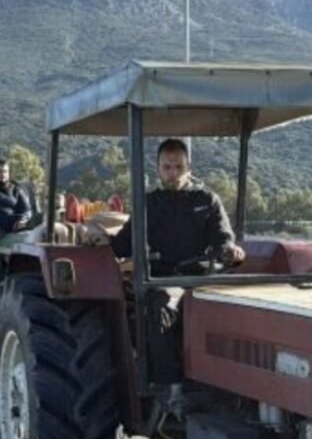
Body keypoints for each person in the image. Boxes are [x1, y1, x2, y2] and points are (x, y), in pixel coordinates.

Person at [104, 138, 245, 385]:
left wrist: (229, 251)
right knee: (161, 304)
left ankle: (233, 383)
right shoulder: (148, 203)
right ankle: (168, 387)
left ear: (189, 168)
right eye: (167, 167)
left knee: (239, 307)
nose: (173, 173)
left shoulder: (206, 200)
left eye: (178, 167)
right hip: (164, 278)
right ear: (157, 169)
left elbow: (223, 239)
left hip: (202, 278)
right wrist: (100, 241)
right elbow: (124, 244)